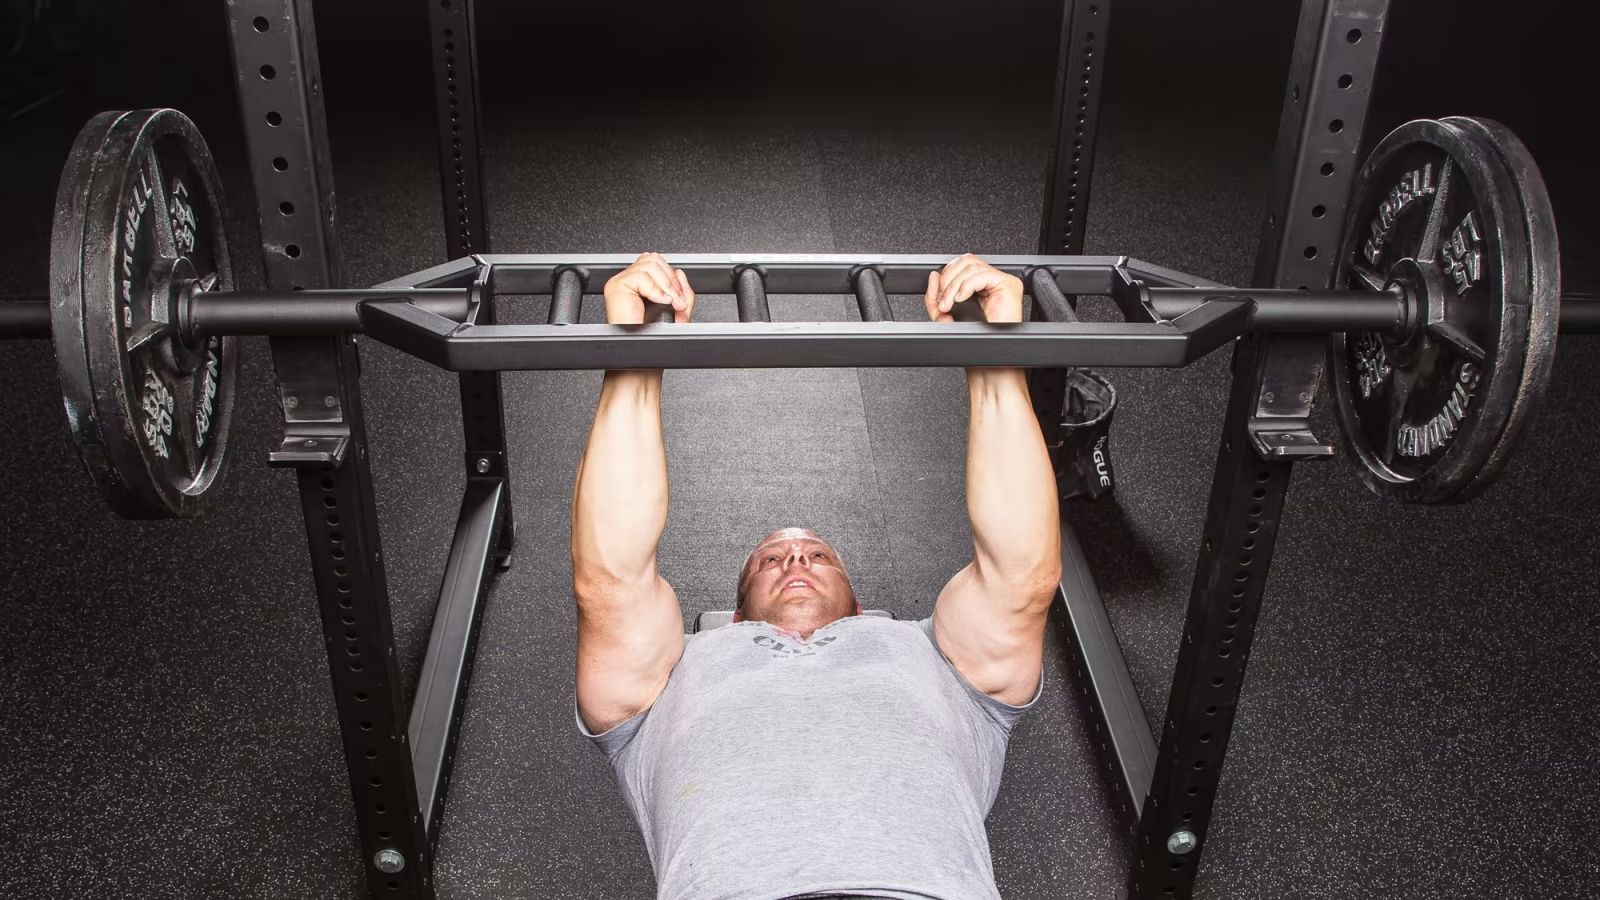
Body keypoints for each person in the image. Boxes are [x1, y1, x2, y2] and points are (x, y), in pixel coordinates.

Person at [570, 252, 1062, 900]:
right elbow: (611, 578)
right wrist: (634, 353)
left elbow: (1021, 576)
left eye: (818, 555)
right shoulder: (671, 675)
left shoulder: (934, 655)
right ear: (736, 617)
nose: (796, 560)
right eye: (771, 560)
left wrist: (995, 349)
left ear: (863, 609)